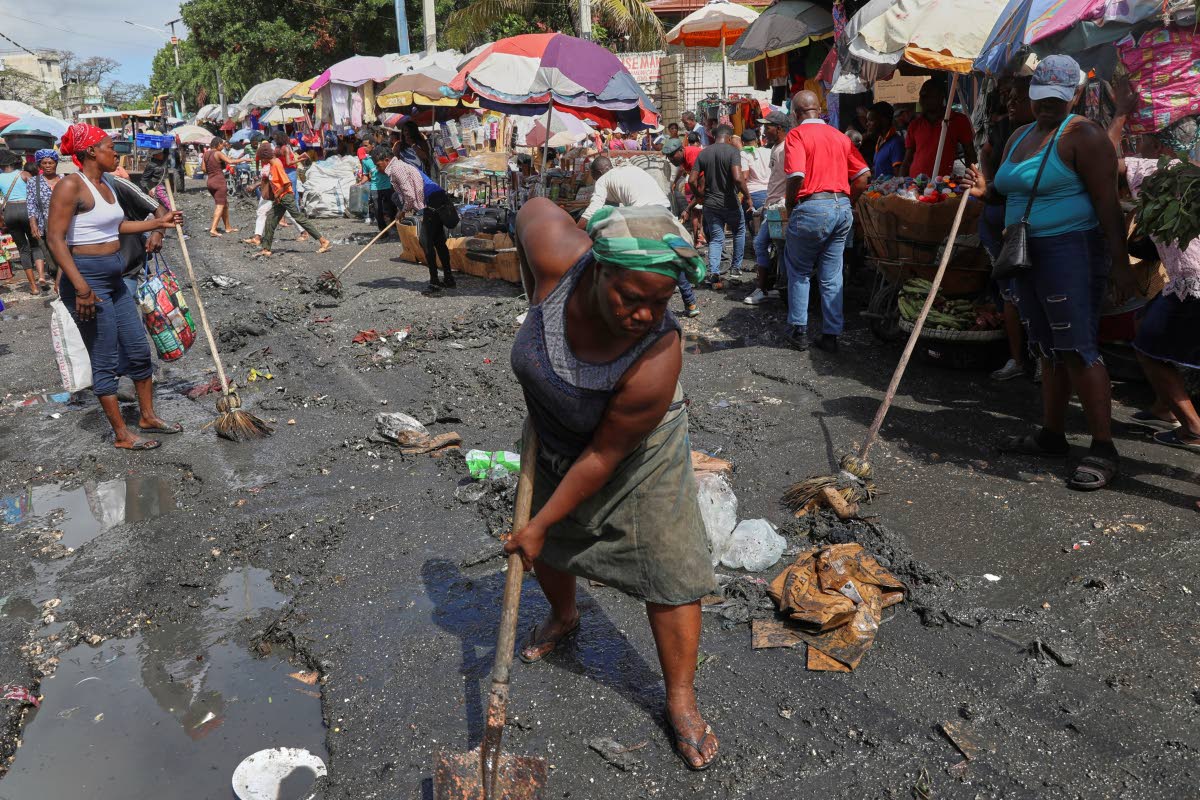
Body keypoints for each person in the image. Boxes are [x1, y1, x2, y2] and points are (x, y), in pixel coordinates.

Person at [507, 198, 719, 771]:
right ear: (597, 269)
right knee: (547, 544)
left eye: (662, 301)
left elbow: (605, 454)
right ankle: (565, 614)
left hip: (634, 451)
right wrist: (531, 294)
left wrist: (542, 521)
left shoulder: (658, 355)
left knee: (671, 564)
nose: (647, 314)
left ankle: (680, 698)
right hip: (555, 431)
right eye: (633, 298)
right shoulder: (556, 254)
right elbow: (528, 208)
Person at [968, 55, 1131, 491]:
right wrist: (984, 192)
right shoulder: (1019, 135)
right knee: (1047, 349)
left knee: (1078, 348)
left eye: (1057, 99)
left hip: (1070, 252)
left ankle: (1103, 448)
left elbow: (1108, 208)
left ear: (1075, 95)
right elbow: (1004, 195)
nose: (1046, 106)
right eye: (1040, 97)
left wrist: (1121, 267)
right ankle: (1052, 434)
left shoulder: (1085, 136)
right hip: (1025, 254)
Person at [44, 124, 183, 451]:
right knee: (104, 356)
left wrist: (158, 223)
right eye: (110, 146)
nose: (116, 152)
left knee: (137, 348)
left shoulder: (106, 183)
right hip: (88, 281)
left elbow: (116, 225)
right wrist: (80, 287)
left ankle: (147, 416)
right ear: (91, 151)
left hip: (115, 278)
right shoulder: (70, 187)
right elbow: (54, 238)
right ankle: (122, 434)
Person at [1108, 75, 1200, 454]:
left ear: (1161, 143)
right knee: (1145, 322)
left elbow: (1101, 160)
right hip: (1185, 280)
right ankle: (1165, 406)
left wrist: (1120, 115)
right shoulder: (1190, 171)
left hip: (1192, 281)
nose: (1139, 142)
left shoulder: (1159, 171)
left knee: (1146, 346)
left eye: (1146, 136)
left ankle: (1193, 426)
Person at [782, 90, 871, 353]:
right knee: (832, 275)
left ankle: (799, 332)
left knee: (799, 270)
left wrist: (789, 204)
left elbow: (796, 175)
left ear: (797, 114)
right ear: (819, 110)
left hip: (811, 206)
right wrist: (847, 202)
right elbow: (863, 177)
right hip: (841, 207)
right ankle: (830, 335)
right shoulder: (839, 136)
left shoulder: (796, 134)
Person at [580, 155, 698, 318]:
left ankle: (644, 302)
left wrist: (575, 229)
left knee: (643, 259)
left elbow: (593, 210)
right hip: (663, 207)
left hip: (644, 213)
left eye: (593, 176)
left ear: (598, 172)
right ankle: (691, 303)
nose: (594, 180)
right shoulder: (631, 170)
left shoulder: (603, 180)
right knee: (673, 254)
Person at [979, 77, 1036, 383]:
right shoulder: (1008, 131)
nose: (1011, 103)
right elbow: (989, 158)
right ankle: (1018, 358)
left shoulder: (1059, 133)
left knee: (1029, 292)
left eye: (1018, 97)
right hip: (1003, 222)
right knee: (1011, 292)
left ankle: (1039, 358)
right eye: (1009, 97)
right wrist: (987, 183)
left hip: (1029, 226)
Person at [373, 145, 453, 292]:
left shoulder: (396, 169)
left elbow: (409, 195)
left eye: (378, 165)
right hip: (437, 197)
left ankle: (435, 282)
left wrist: (402, 211)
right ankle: (448, 278)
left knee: (426, 242)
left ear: (386, 160)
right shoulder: (400, 165)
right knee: (438, 241)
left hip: (432, 201)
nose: (378, 169)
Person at [690, 124, 751, 288]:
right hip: (730, 201)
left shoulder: (704, 153)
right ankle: (735, 269)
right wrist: (748, 197)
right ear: (729, 138)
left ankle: (714, 272)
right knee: (739, 232)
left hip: (710, 203)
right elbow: (738, 178)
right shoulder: (733, 152)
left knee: (717, 239)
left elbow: (691, 180)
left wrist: (699, 196)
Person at [745, 110, 793, 306]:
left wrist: (783, 201)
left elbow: (793, 178)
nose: (764, 131)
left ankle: (763, 288)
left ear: (779, 128)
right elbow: (775, 179)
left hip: (780, 206)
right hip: (772, 204)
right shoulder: (776, 148)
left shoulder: (786, 149)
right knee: (779, 248)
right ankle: (780, 287)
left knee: (762, 243)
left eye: (768, 126)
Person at [257, 142, 331, 258]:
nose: (261, 162)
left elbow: (286, 184)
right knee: (270, 219)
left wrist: (277, 196)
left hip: (286, 196)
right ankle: (266, 249)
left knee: (299, 218)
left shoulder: (276, 164)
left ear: (265, 157)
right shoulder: (272, 164)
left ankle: (323, 240)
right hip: (280, 198)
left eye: (261, 159)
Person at [900, 80, 977, 179]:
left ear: (941, 97)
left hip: (941, 184)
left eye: (927, 96)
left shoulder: (958, 120)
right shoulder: (915, 124)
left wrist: (972, 179)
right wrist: (900, 182)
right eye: (921, 96)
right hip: (914, 184)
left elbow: (970, 153)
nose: (921, 100)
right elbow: (907, 160)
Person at [0, 149, 40, 295]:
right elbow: (36, 191)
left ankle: (33, 287)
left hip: (10, 211)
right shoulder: (24, 174)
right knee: (35, 245)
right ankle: (41, 276)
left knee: (22, 249)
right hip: (26, 209)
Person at [25, 148, 60, 290]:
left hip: (63, 224)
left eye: (50, 162)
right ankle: (57, 277)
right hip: (43, 224)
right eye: (44, 163)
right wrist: (33, 224)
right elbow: (31, 204)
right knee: (50, 256)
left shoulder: (63, 179)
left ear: (55, 164)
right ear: (39, 165)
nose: (47, 165)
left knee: (65, 253)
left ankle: (64, 281)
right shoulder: (34, 182)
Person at [202, 138, 246, 237]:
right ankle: (213, 229)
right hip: (219, 181)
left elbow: (204, 169)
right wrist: (244, 159)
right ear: (218, 144)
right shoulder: (217, 153)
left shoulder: (206, 154)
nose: (223, 147)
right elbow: (230, 161)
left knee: (225, 204)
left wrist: (213, 168)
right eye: (222, 145)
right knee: (220, 205)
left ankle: (228, 227)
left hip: (210, 181)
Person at [357, 144, 396, 235]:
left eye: (366, 145)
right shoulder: (365, 161)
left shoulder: (382, 158)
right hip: (375, 187)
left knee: (392, 207)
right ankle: (383, 230)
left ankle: (394, 226)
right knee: (377, 209)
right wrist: (361, 182)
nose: (364, 148)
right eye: (363, 146)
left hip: (387, 186)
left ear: (372, 145)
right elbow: (366, 175)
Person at [866, 102, 905, 179]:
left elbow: (899, 178)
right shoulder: (880, 141)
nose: (867, 124)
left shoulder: (896, 143)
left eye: (871, 120)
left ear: (884, 121)